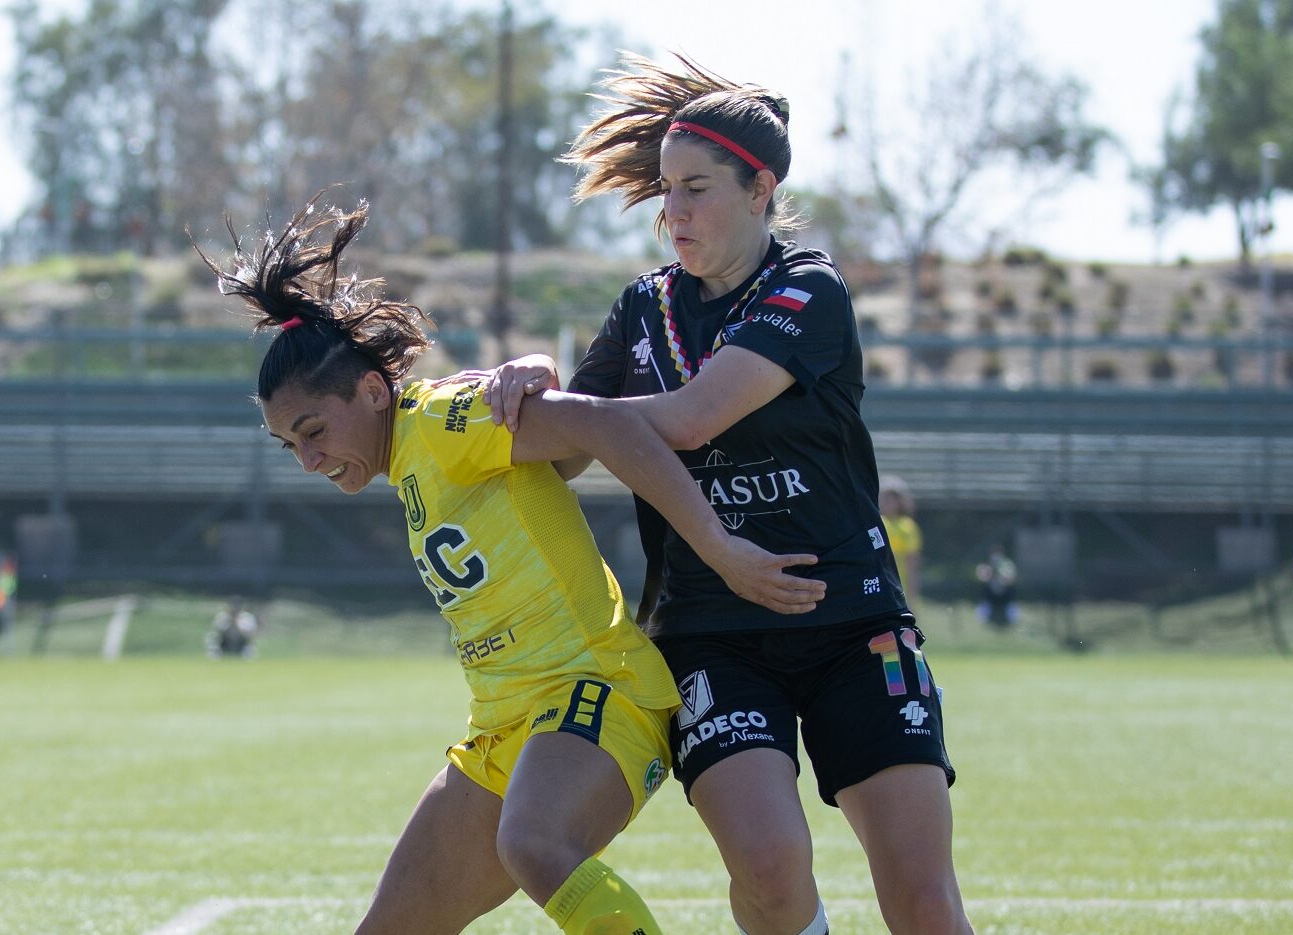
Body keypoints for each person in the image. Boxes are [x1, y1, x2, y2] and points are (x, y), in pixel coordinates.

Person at [195, 197, 824, 934]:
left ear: (371, 390)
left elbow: (606, 423)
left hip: (595, 687)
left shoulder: (436, 422)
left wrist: (719, 548)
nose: (307, 460)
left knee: (533, 842)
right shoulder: (410, 461)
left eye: (312, 431)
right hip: (506, 724)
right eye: (288, 446)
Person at [483, 52, 970, 935]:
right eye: (666, 189)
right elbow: (551, 456)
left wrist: (574, 409)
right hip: (711, 634)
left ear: (760, 190)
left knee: (923, 899)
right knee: (771, 869)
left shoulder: (806, 289)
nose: (673, 210)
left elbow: (690, 418)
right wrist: (533, 380)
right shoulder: (641, 310)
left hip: (851, 621)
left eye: (696, 188)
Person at [880, 475, 923, 602]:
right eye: (884, 497)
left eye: (891, 498)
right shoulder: (875, 524)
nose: (886, 502)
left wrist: (912, 594)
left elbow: (911, 562)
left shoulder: (907, 527)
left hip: (899, 587)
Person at [974, 545, 1018, 629]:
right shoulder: (986, 566)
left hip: (1005, 596)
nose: (996, 557)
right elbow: (981, 577)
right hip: (990, 596)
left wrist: (1001, 574)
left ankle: (1011, 620)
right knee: (983, 610)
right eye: (994, 554)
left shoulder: (1008, 565)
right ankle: (984, 619)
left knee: (1012, 610)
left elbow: (1011, 579)